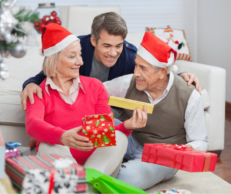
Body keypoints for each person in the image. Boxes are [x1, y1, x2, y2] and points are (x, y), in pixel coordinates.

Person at [25, 23, 148, 177]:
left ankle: (83, 183)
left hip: (95, 165)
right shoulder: (38, 91)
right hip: (62, 165)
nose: (80, 62)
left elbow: (103, 135)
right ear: (54, 60)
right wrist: (62, 137)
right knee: (46, 145)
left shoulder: (95, 87)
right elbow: (32, 124)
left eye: (80, 54)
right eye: (72, 56)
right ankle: (86, 186)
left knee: (120, 138)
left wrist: (127, 126)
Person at [21, 12, 201, 111]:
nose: (113, 53)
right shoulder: (76, 49)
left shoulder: (129, 56)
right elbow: (46, 73)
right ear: (93, 41)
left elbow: (153, 73)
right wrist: (30, 84)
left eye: (118, 45)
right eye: (107, 45)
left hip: (109, 111)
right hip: (76, 109)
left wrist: (179, 76)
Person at [103, 32, 208, 189]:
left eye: (143, 68)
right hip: (132, 139)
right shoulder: (128, 82)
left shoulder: (189, 96)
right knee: (100, 122)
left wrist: (190, 148)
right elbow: (96, 91)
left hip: (163, 157)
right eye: (136, 65)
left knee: (123, 181)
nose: (136, 72)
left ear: (162, 73)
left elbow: (201, 140)